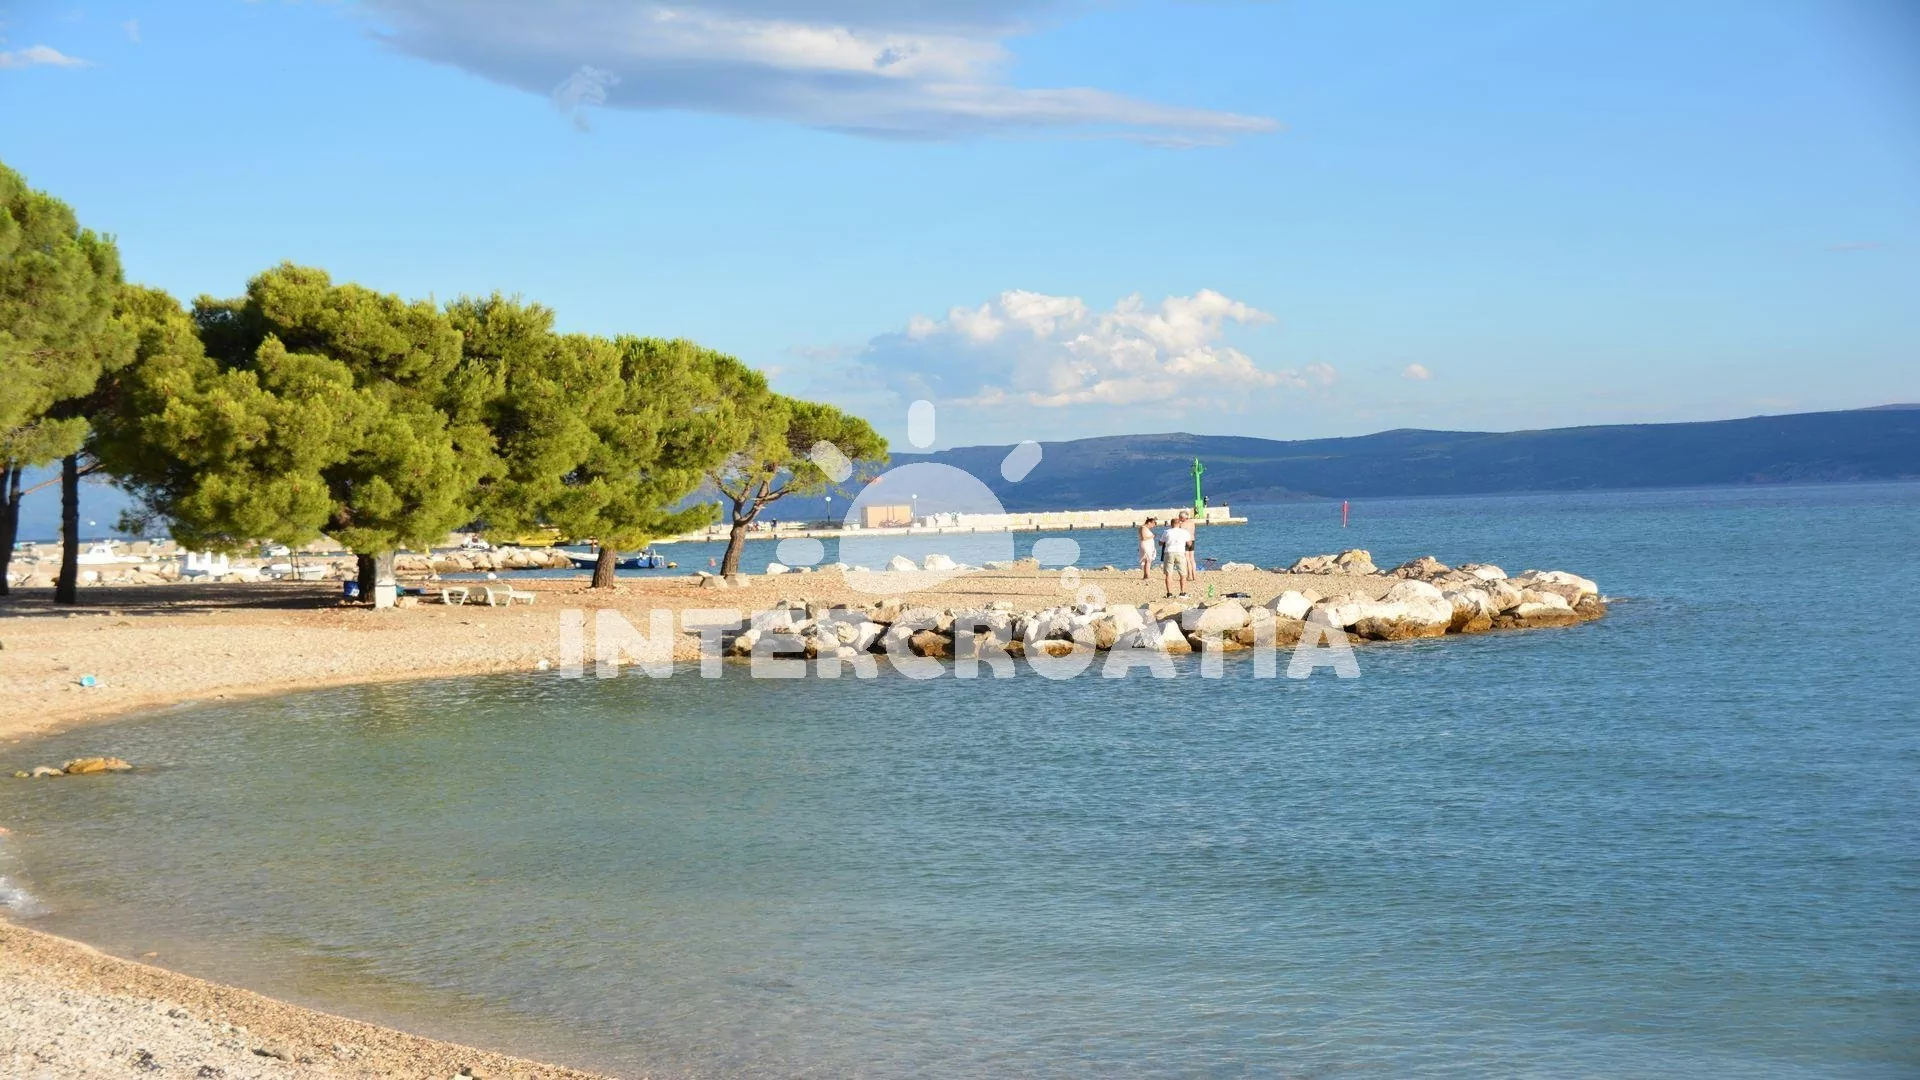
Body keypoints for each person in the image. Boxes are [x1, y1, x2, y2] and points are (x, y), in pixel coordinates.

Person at [1162, 516, 1191, 598]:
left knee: (1168, 574)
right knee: (1183, 574)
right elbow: (1189, 544)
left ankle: (1169, 593)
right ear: (1179, 524)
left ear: (1171, 524)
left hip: (1169, 552)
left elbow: (1160, 542)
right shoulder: (1184, 532)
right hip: (1180, 552)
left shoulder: (1166, 532)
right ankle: (1182, 592)